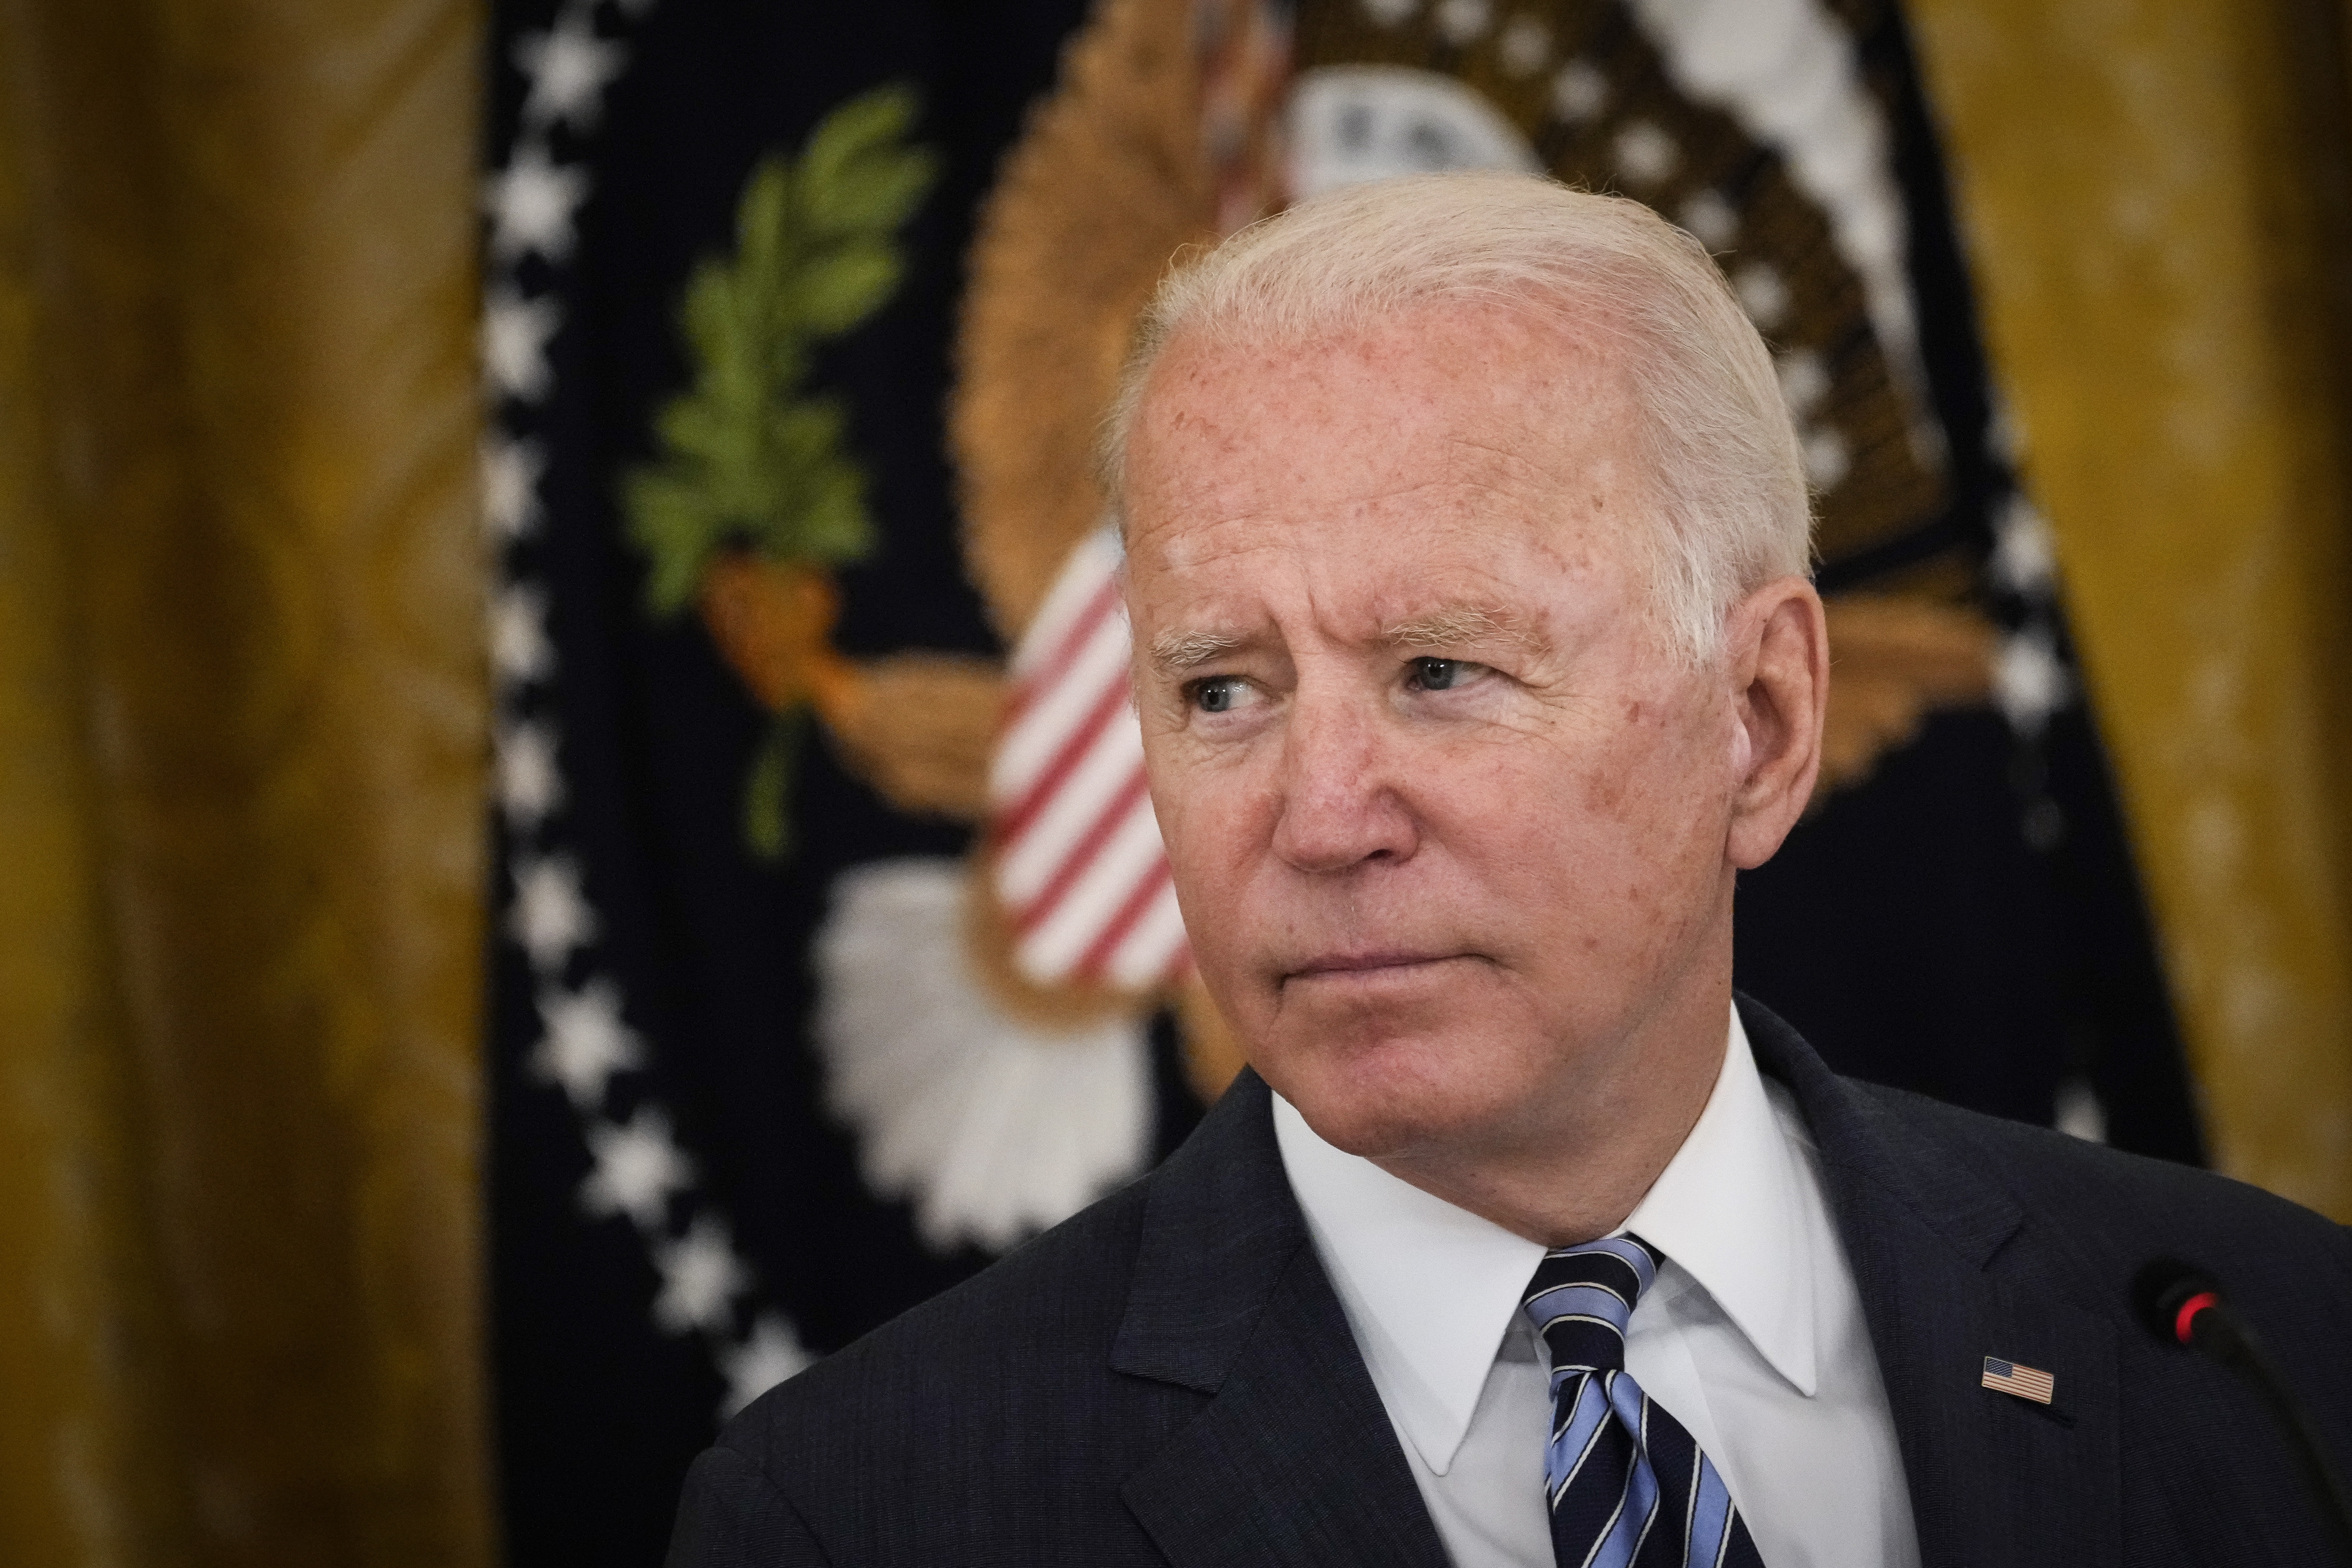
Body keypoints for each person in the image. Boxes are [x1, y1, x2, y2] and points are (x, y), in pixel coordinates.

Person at [665, 173, 2352, 1568]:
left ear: (1760, 721)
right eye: (1223, 691)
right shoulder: (857, 1517)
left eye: (1440, 670)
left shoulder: (2275, 1355)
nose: (1321, 817)